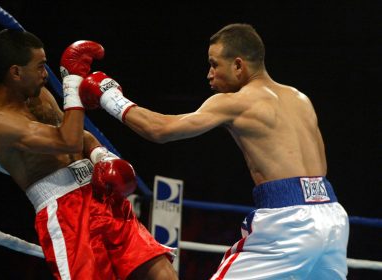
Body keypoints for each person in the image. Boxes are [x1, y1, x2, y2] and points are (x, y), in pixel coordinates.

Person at [77, 23, 350, 279]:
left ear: (239, 65)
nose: (209, 74)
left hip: (288, 223)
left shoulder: (236, 102)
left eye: (214, 65)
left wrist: (107, 95)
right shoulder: (300, 98)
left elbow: (159, 129)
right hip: (333, 218)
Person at [0, 29, 177, 280]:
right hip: (66, 214)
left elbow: (81, 136)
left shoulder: (39, 96)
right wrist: (72, 83)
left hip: (100, 193)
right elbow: (69, 140)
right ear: (16, 72)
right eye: (40, 67)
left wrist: (101, 157)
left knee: (163, 275)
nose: (45, 74)